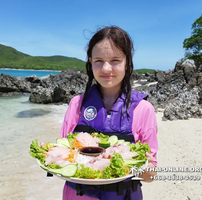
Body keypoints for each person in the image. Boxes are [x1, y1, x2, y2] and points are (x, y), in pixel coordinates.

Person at [60, 25, 158, 200]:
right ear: (90, 62)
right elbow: (63, 157)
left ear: (127, 62)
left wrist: (145, 168)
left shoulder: (143, 109)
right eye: (99, 61)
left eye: (115, 60)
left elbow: (150, 176)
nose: (106, 69)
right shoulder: (77, 104)